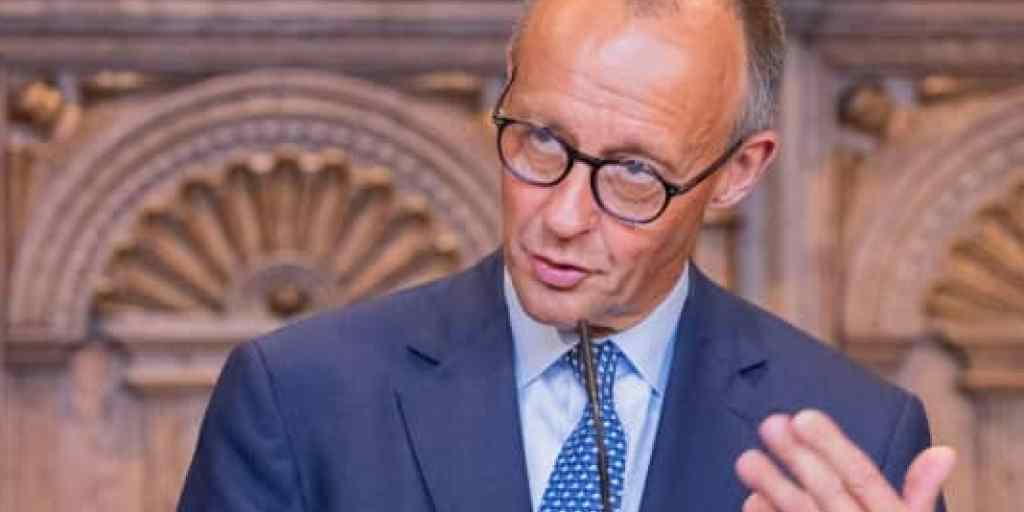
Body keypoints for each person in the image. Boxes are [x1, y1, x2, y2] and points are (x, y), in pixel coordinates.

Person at [177, 0, 956, 511]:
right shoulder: (299, 399)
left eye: (633, 173)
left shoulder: (861, 440)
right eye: (541, 140)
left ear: (738, 171)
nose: (562, 216)